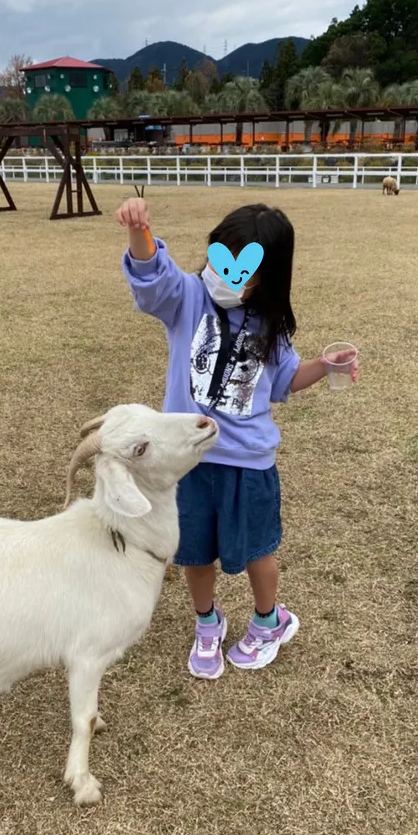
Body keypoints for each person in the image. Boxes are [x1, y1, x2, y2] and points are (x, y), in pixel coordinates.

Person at [117, 197, 358, 680]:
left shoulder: (270, 326)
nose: (224, 277)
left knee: (255, 552)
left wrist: (326, 366)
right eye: (218, 260)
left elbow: (286, 380)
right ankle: (207, 622)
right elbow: (151, 279)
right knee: (193, 551)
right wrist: (140, 231)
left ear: (266, 278)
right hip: (187, 461)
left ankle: (270, 621)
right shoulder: (186, 298)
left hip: (248, 463)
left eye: (241, 271)